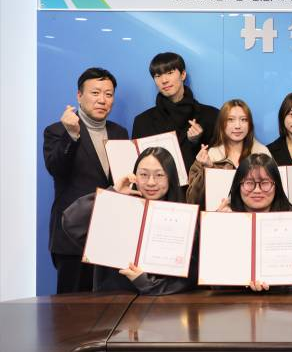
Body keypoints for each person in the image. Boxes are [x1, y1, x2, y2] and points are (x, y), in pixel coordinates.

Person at [62, 147, 196, 295]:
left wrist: (145, 283)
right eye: (143, 174)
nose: (151, 182)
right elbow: (71, 221)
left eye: (159, 175)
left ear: (171, 177)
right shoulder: (117, 207)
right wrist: (112, 193)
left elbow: (189, 277)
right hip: (114, 299)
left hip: (161, 303)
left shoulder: (184, 217)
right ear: (135, 176)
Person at [43, 67, 128, 293]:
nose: (102, 100)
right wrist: (71, 134)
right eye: (95, 93)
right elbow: (56, 169)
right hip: (72, 236)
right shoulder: (56, 131)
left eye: (108, 94)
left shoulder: (119, 132)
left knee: (109, 308)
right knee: (72, 309)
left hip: (110, 235)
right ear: (79, 96)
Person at [216, 153, 292, 291]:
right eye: (249, 183)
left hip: (283, 301)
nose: (257, 190)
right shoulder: (223, 220)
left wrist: (273, 288)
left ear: (276, 186)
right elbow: (214, 279)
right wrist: (217, 228)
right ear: (238, 185)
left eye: (265, 183)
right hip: (233, 300)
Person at [132, 52, 219, 174]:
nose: (164, 80)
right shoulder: (142, 121)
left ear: (183, 74)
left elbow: (218, 164)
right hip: (157, 185)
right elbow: (139, 168)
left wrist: (197, 140)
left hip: (196, 185)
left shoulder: (211, 116)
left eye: (170, 73)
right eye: (157, 75)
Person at [186, 99, 270, 206]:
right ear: (221, 124)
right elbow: (193, 200)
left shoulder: (262, 153)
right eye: (230, 120)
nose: (237, 126)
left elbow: (275, 192)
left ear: (250, 124)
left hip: (254, 214)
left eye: (243, 120)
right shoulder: (209, 156)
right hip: (218, 214)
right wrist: (208, 169)